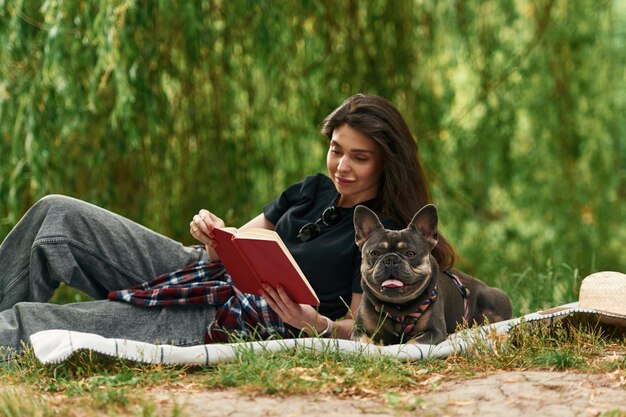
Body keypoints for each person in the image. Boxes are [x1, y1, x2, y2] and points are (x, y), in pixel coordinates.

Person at [0, 94, 457, 354]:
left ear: (385, 163)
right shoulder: (312, 189)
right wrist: (214, 232)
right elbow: (240, 241)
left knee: (43, 323)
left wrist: (311, 322)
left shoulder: (387, 239)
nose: (342, 166)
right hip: (203, 270)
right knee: (56, 214)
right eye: (337, 149)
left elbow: (367, 328)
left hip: (240, 316)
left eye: (360, 157)